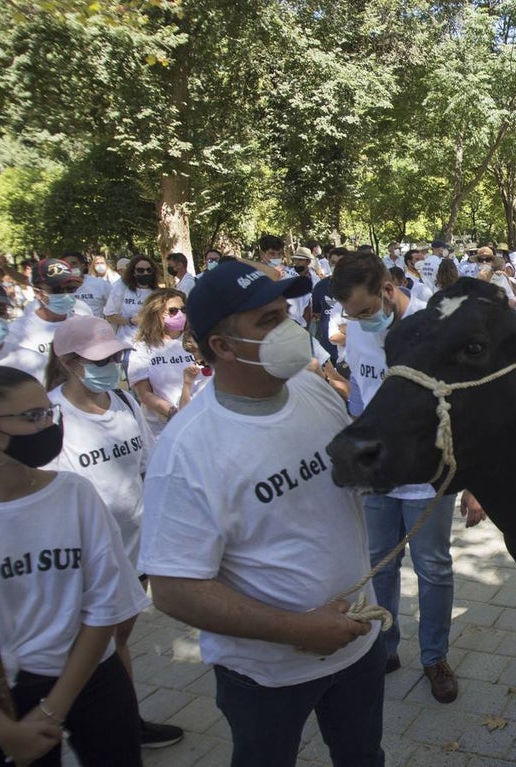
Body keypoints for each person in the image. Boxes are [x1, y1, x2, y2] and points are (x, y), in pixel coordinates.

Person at [138, 261, 386, 766]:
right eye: (268, 321)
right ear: (222, 347)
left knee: (363, 756)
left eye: (286, 313)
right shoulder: (188, 450)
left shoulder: (313, 390)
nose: (291, 329)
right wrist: (297, 630)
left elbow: (353, 481)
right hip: (266, 674)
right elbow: (173, 589)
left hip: (359, 646)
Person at [0, 365, 149, 767]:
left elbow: (105, 602)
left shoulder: (74, 494)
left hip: (92, 677)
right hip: (7, 701)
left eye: (49, 412)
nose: (49, 425)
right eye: (32, 417)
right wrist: (8, 732)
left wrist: (53, 708)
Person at [41, 316, 183, 749]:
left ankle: (122, 720)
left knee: (119, 636)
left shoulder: (122, 400)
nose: (113, 364)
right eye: (100, 359)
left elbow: (148, 465)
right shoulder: (48, 415)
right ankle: (95, 722)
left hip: (133, 548)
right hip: (85, 558)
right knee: (91, 643)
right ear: (67, 362)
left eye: (117, 355)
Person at [332, 253, 469, 703]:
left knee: (432, 568)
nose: (359, 321)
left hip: (426, 476)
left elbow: (460, 405)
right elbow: (361, 394)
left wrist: (471, 483)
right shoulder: (355, 328)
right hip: (376, 477)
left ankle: (434, 658)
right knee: (380, 564)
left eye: (366, 311)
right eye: (352, 316)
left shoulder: (435, 326)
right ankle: (383, 647)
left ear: (388, 288)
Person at [128, 288, 208, 441]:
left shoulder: (198, 340)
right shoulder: (142, 348)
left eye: (183, 309)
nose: (180, 314)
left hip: (202, 423)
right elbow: (144, 394)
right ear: (155, 314)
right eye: (172, 311)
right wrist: (175, 413)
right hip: (165, 430)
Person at [0, 259, 84, 382]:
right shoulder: (17, 332)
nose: (66, 294)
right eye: (57, 290)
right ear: (38, 293)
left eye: (71, 289)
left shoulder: (83, 313)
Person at [104, 255, 161, 347]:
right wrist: (130, 321)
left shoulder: (157, 292)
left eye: (149, 270)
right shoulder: (121, 289)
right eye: (140, 270)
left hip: (151, 342)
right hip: (126, 342)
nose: (145, 273)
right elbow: (109, 316)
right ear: (133, 272)